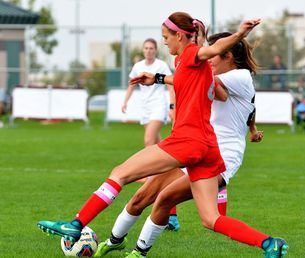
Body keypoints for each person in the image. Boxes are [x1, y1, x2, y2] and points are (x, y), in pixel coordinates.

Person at [37, 12, 285, 257]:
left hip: (189, 142)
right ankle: (268, 243)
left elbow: (210, 57)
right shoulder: (192, 65)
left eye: (166, 36)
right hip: (209, 147)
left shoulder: (207, 61)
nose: (163, 42)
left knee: (120, 173)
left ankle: (76, 225)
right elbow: (194, 80)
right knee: (209, 219)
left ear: (180, 35)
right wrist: (157, 78)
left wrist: (238, 34)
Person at [94, 33, 272, 258]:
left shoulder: (240, 75)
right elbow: (248, 106)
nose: (208, 60)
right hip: (196, 149)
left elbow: (194, 75)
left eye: (213, 54)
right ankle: (114, 241)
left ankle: (138, 253)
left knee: (173, 201)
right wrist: (253, 129)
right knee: (143, 195)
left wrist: (185, 57)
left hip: (222, 156)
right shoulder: (231, 79)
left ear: (227, 55)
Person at [122, 38, 173, 148]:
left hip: (158, 105)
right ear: (143, 50)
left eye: (151, 48)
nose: (148, 51)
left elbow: (171, 86)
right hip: (145, 106)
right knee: (156, 142)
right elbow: (131, 84)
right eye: (146, 48)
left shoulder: (161, 65)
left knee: (148, 141)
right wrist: (125, 102)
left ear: (155, 50)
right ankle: (172, 165)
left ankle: (148, 165)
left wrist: (172, 106)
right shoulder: (138, 66)